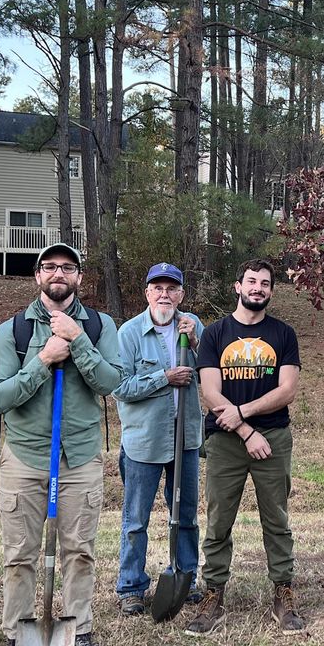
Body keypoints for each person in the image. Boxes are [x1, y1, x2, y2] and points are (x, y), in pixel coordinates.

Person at [0, 242, 121, 646]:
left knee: (79, 551)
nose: (58, 273)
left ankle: (79, 633)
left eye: (67, 267)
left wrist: (78, 342)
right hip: (25, 456)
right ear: (37, 276)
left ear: (79, 278)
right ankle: (18, 636)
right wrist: (44, 358)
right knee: (20, 555)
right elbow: (0, 396)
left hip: (79, 456)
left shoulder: (100, 326)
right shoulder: (13, 331)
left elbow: (110, 383)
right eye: (49, 266)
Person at [186, 258, 303, 637]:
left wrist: (244, 417)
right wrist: (244, 431)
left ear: (271, 290)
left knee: (277, 518)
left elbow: (287, 390)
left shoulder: (284, 335)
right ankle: (213, 594)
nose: (258, 288)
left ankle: (283, 592)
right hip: (224, 442)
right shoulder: (216, 334)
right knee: (219, 520)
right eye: (251, 281)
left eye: (265, 283)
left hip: (274, 440)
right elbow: (209, 392)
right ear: (237, 286)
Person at [112, 262, 205, 615]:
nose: (165, 294)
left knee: (186, 514)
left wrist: (195, 342)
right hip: (144, 442)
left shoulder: (192, 325)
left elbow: (212, 373)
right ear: (147, 293)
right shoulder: (130, 333)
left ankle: (185, 577)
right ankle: (131, 587)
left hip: (186, 439)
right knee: (136, 518)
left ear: (181, 293)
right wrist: (165, 378)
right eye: (158, 288)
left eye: (172, 289)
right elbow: (119, 387)